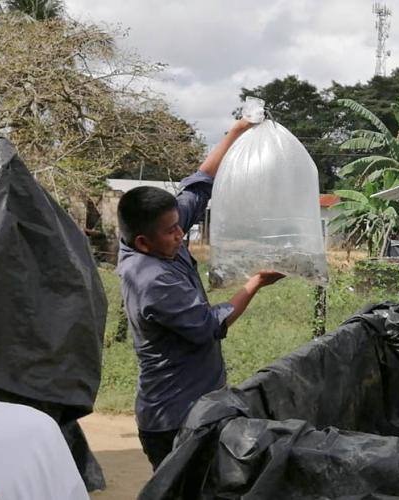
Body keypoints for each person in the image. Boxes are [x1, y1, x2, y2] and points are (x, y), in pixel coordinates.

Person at [116, 118, 285, 470]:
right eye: (172, 231)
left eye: (180, 225)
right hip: (175, 419)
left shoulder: (161, 240)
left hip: (199, 407)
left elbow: (200, 185)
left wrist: (236, 132)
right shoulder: (151, 278)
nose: (181, 234)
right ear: (143, 242)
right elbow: (210, 324)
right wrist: (254, 283)